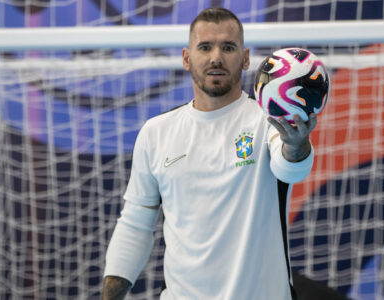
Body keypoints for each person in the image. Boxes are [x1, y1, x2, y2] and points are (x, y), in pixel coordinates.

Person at [103, 7, 317, 300]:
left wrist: (295, 145)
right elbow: (136, 224)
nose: (216, 57)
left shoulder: (266, 121)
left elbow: (290, 168)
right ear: (186, 58)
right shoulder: (156, 132)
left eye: (228, 47)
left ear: (245, 59)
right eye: (205, 47)